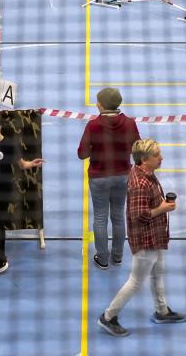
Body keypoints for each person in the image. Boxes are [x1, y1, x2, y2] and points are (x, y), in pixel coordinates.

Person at [97, 138, 186, 337]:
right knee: (136, 281)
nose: (161, 157)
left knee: (158, 273)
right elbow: (139, 215)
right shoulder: (140, 183)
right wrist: (162, 208)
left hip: (155, 236)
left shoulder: (145, 173)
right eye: (157, 155)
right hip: (146, 239)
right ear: (145, 159)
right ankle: (108, 317)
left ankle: (162, 311)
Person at [78, 87, 141, 270]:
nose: (96, 103)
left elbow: (82, 154)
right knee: (118, 216)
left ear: (102, 105)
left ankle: (103, 258)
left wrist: (94, 148)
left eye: (98, 101)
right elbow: (136, 149)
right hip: (122, 176)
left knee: (100, 218)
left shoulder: (93, 125)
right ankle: (118, 256)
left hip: (99, 177)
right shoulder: (129, 123)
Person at [0, 112, 44, 278]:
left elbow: (21, 165)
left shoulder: (10, 145)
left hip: (5, 190)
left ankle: (0, 262)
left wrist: (31, 164)